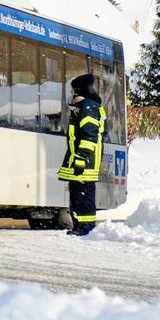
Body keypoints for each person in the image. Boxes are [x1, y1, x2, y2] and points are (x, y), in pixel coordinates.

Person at [57, 73, 105, 236]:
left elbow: (89, 135)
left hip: (85, 163)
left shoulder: (88, 108)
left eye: (73, 90)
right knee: (78, 194)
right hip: (81, 161)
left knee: (83, 195)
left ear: (79, 90)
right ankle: (80, 226)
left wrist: (81, 157)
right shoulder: (84, 107)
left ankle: (85, 227)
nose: (71, 93)